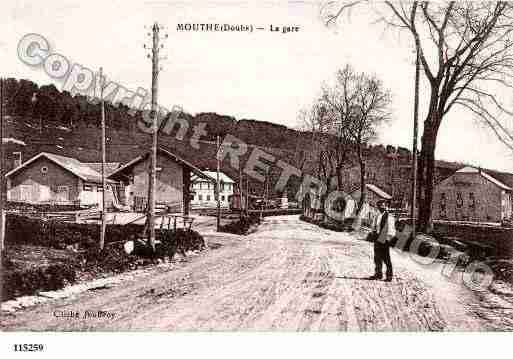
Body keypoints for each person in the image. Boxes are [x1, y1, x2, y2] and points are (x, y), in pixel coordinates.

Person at [367, 200, 396, 281]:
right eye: (379, 206)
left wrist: (388, 239)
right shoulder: (377, 216)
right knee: (377, 257)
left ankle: (389, 276)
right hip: (377, 238)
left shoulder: (389, 217)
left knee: (386, 258)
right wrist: (373, 233)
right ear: (377, 207)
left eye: (383, 206)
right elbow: (374, 226)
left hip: (385, 238)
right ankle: (378, 274)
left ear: (386, 206)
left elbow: (392, 229)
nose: (381, 207)